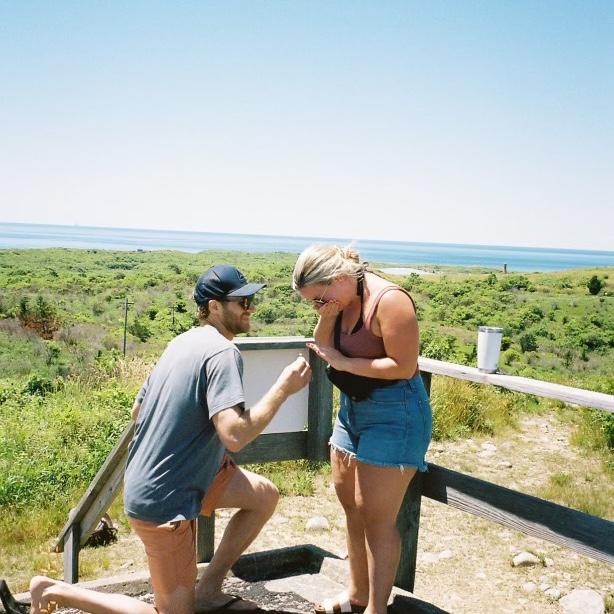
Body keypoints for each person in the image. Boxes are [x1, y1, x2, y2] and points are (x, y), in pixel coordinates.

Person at [24, 264, 312, 614]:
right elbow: (235, 435)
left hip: (182, 477)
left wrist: (192, 443)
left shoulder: (181, 342)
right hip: (164, 499)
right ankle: (54, 590)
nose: (250, 308)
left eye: (251, 300)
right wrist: (283, 389)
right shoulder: (223, 353)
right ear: (214, 307)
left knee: (263, 496)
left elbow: (138, 411)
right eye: (242, 301)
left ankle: (208, 590)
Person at [293, 245, 432, 614]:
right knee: (352, 508)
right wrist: (327, 315)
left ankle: (376, 608)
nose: (318, 306)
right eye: (312, 303)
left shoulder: (390, 301)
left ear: (340, 277)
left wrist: (345, 363)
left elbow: (403, 366)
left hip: (395, 413)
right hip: (352, 410)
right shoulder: (339, 300)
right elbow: (324, 346)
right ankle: (357, 595)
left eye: (320, 298)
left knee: (376, 518)